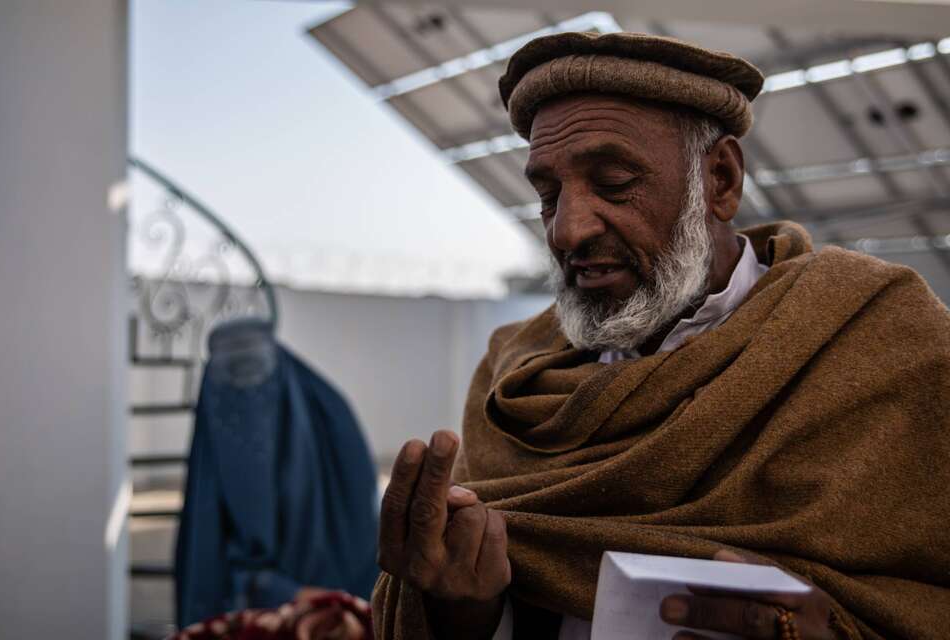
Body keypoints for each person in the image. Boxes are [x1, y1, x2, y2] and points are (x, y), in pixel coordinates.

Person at [372, 31, 950, 640]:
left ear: (720, 180)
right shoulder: (513, 371)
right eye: (548, 196)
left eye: (614, 183)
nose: (568, 231)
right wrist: (463, 609)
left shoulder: (879, 337)